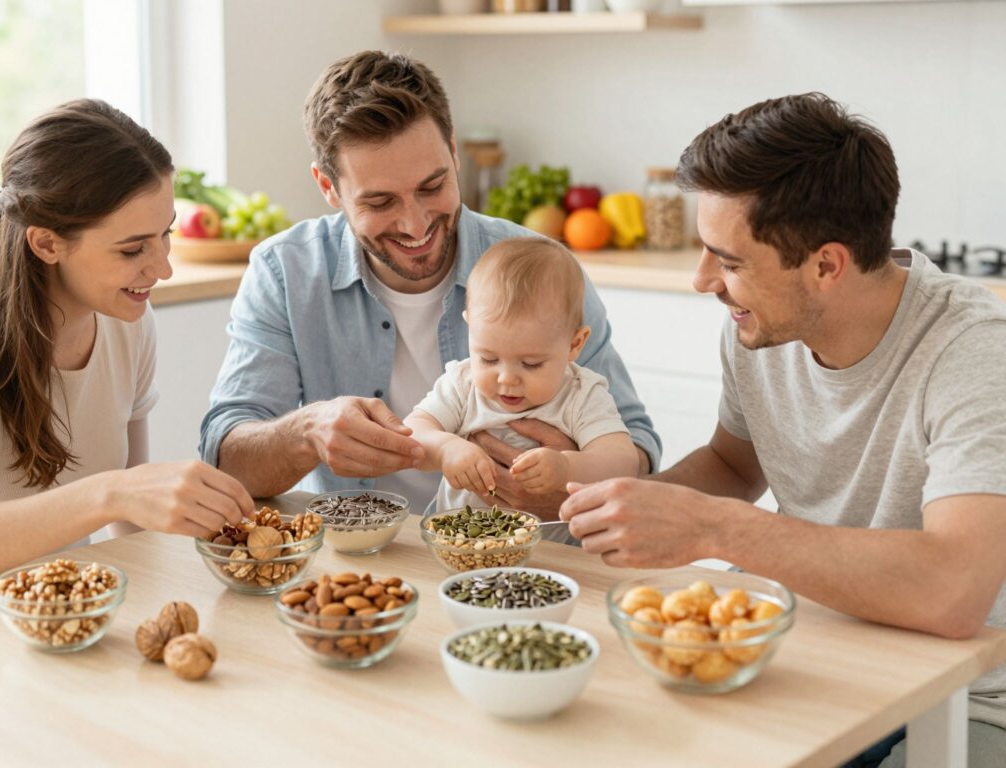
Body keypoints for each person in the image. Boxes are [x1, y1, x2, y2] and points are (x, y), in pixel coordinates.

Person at [559, 92, 1006, 765]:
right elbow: (735, 467)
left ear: (826, 265)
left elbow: (953, 593)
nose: (703, 281)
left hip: (954, 689)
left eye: (730, 261)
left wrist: (715, 529)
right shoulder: (760, 324)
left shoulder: (972, 351)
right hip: (800, 644)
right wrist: (605, 507)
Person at [199, 51, 660, 519]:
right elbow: (227, 459)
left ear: (454, 152)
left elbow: (638, 449)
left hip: (530, 559)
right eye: (380, 201)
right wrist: (305, 434)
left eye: (432, 186)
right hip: (360, 559)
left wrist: (567, 473)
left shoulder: (543, 271)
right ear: (328, 187)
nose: (415, 223)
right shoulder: (285, 272)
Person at [0, 99, 253, 577]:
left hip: (70, 617)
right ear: (46, 243)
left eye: (165, 234)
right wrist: (109, 494)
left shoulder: (128, 324)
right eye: (133, 249)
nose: (162, 268)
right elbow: (120, 496)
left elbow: (130, 525)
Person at [404, 237, 639, 529]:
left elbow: (623, 462)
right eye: (488, 358)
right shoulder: (462, 384)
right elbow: (412, 435)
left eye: (531, 364)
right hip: (460, 546)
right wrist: (445, 449)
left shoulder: (582, 394)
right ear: (469, 328)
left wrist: (566, 467)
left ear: (574, 345)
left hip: (557, 559)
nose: (506, 378)